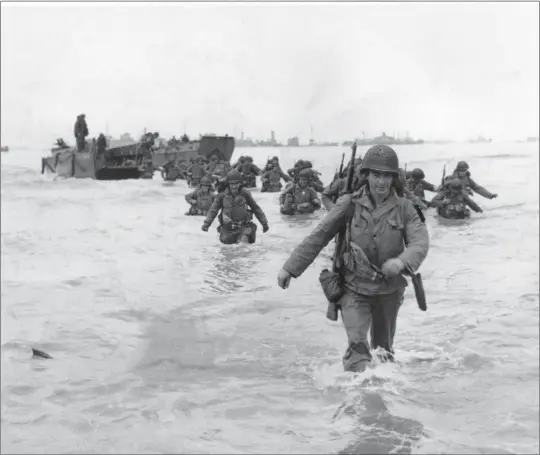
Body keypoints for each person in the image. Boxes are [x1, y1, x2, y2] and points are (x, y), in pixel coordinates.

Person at [277, 145, 429, 373]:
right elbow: (319, 236)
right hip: (354, 288)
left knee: (383, 353)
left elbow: (420, 241)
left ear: (394, 178)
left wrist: (401, 262)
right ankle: (357, 398)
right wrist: (290, 268)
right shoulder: (349, 204)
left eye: (387, 175)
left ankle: (381, 400)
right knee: (358, 349)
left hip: (389, 291)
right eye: (376, 175)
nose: (381, 182)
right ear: (366, 175)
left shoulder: (405, 208)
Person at [202, 170, 269, 244]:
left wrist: (264, 223)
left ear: (240, 183)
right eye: (232, 184)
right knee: (228, 250)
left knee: (243, 246)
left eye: (236, 183)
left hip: (243, 227)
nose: (234, 186)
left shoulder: (245, 194)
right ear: (228, 184)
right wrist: (206, 224)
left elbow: (256, 208)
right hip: (228, 229)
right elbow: (213, 210)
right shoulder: (221, 196)